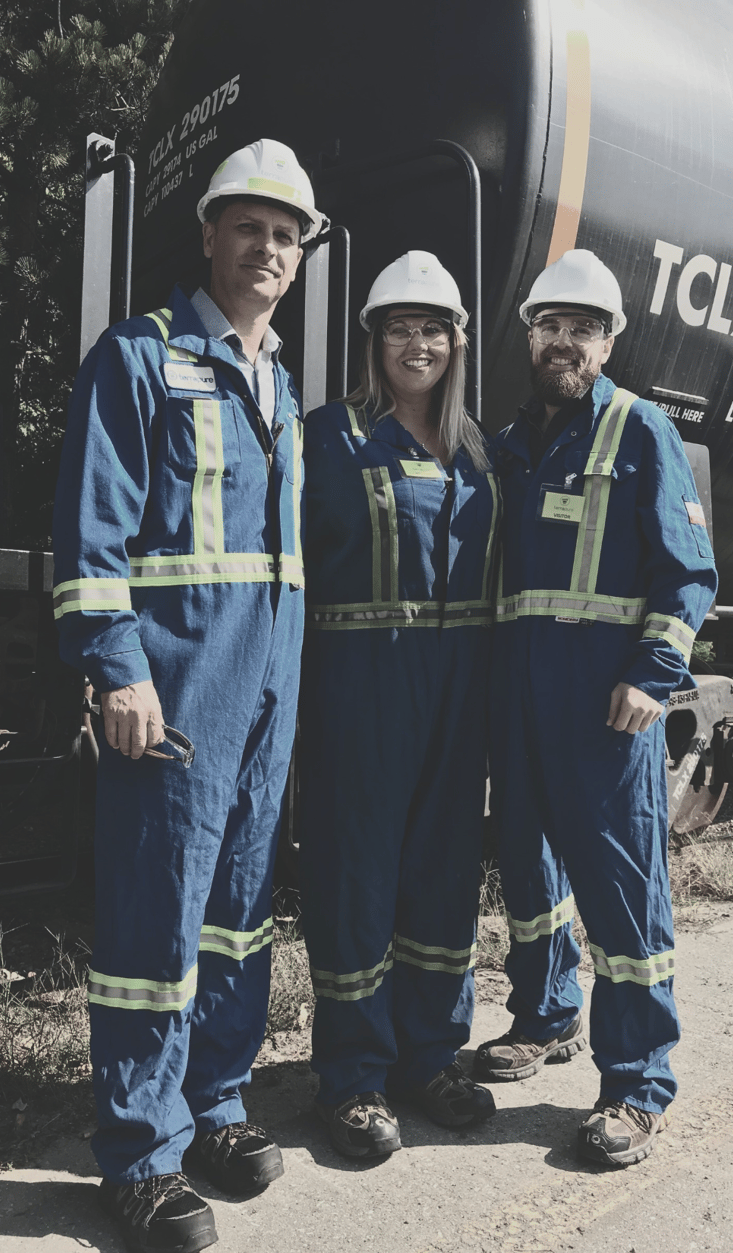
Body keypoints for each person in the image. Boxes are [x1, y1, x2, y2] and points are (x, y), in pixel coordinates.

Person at [53, 139, 327, 1252]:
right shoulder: (138, 357)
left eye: (287, 234)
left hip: (265, 692)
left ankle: (214, 1101)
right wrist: (114, 665)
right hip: (174, 684)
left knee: (241, 906)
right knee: (153, 915)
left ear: (301, 257)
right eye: (249, 226)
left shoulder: (280, 385)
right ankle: (137, 1151)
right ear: (209, 233)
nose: (267, 248)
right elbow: (92, 532)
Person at [474, 249, 718, 1166]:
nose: (565, 340)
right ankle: (544, 1016)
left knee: (622, 894)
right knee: (530, 877)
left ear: (608, 341)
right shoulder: (507, 446)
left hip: (605, 706)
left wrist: (653, 675)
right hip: (521, 704)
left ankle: (638, 1083)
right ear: (529, 333)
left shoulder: (639, 430)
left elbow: (689, 571)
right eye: (551, 325)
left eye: (585, 327)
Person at [298, 251, 499, 1158]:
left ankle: (430, 1056)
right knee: (358, 879)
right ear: (373, 340)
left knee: (445, 876)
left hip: (460, 695)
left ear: (458, 341)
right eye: (398, 327)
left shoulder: (483, 452)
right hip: (362, 687)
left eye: (433, 327)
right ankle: (353, 1078)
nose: (416, 343)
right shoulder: (328, 437)